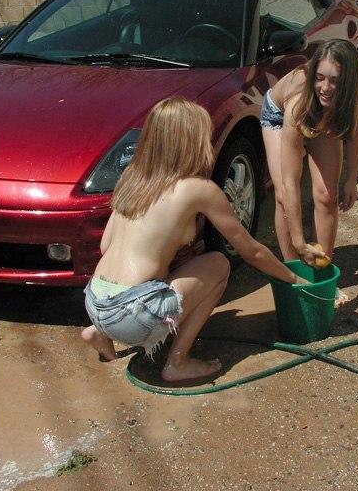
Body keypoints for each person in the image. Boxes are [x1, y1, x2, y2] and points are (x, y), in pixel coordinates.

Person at [81, 96, 310, 387]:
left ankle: (99, 332)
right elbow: (250, 251)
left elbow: (105, 248)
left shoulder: (132, 177)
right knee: (218, 265)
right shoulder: (197, 190)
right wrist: (293, 278)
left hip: (96, 300)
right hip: (131, 315)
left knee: (168, 270)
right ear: (191, 142)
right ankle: (177, 362)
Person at [260, 39, 358, 305]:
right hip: (280, 117)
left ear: (349, 82)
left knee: (326, 195)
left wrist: (352, 179)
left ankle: (323, 275)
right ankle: (294, 275)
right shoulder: (299, 102)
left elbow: (357, 131)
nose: (325, 87)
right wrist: (300, 242)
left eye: (334, 81)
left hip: (328, 116)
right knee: (283, 197)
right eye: (320, 78)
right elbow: (291, 181)